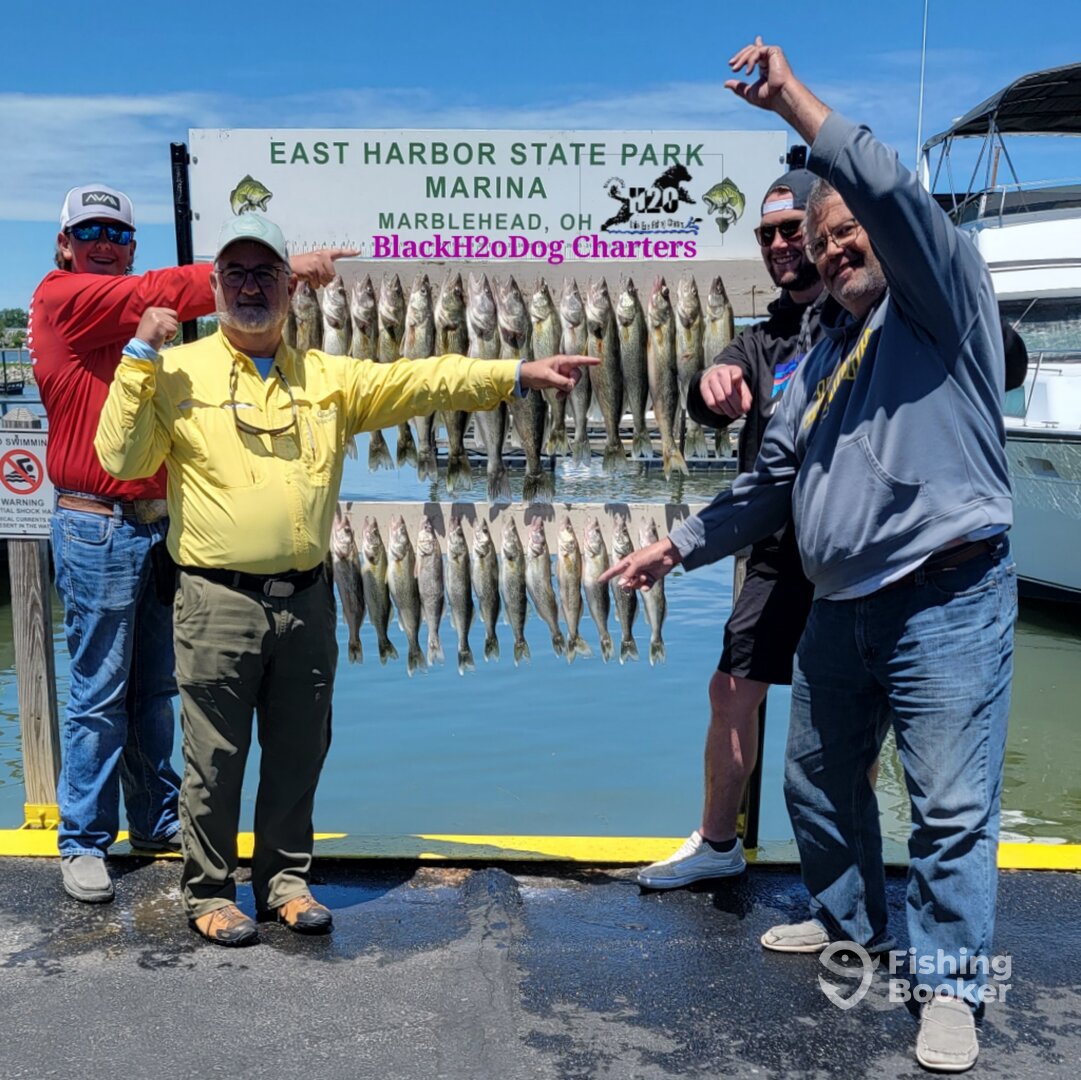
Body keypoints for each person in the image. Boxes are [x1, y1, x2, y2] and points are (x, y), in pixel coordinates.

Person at [605, 39, 1015, 1073]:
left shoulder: (940, 294)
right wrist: (677, 546)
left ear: (886, 229)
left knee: (949, 807)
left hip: (948, 596)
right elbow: (769, 486)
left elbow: (877, 177)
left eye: (845, 232)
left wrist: (789, 102)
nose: (833, 251)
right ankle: (852, 927)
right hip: (842, 604)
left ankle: (949, 985)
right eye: (820, 243)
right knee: (820, 786)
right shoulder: (816, 354)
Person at [94, 213, 595, 947]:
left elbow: (420, 380)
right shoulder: (174, 372)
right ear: (213, 287)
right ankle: (207, 889)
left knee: (300, 751)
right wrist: (139, 354)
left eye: (265, 273)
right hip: (214, 600)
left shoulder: (328, 377)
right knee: (214, 760)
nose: (250, 286)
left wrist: (513, 373)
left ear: (290, 288)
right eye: (235, 273)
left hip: (308, 599)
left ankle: (284, 882)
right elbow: (123, 461)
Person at [29, 184, 349, 904]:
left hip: (160, 524)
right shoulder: (62, 297)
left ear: (131, 242)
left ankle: (153, 821)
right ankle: (83, 839)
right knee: (98, 690)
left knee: (155, 689)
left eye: (116, 230)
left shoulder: (156, 328)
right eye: (89, 231)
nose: (103, 241)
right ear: (65, 246)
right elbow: (169, 291)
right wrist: (280, 266)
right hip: (96, 523)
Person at [637, 169, 825, 888]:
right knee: (729, 692)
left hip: (853, 557)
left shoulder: (864, 321)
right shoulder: (760, 337)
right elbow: (711, 397)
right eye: (767, 234)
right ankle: (718, 844)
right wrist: (708, 388)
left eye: (791, 229)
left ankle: (838, 864)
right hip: (774, 555)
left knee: (843, 714)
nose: (779, 244)